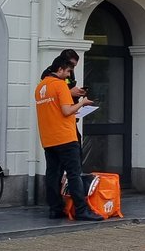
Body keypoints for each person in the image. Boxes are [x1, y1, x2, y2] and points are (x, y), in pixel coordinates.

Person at [36, 56, 104, 221]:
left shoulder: (40, 87)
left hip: (48, 138)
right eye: (67, 71)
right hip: (66, 137)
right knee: (74, 174)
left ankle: (55, 209)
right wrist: (82, 103)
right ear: (59, 69)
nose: (68, 76)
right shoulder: (59, 85)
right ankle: (82, 210)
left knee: (52, 174)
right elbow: (67, 111)